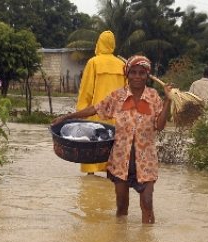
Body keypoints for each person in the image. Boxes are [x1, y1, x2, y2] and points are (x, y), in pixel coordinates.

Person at [52, 55, 172, 224]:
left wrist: (168, 100)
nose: (137, 76)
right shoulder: (118, 97)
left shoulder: (154, 97)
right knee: (122, 209)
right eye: (133, 72)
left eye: (142, 73)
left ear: (147, 76)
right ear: (127, 74)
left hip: (146, 162)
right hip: (120, 160)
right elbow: (94, 109)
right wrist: (67, 117)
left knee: (147, 206)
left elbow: (159, 126)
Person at [76, 30, 126, 175]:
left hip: (95, 114)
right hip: (117, 117)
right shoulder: (122, 65)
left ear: (99, 43)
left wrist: (81, 112)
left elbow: (86, 91)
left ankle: (91, 176)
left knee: (91, 148)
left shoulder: (93, 63)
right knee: (112, 149)